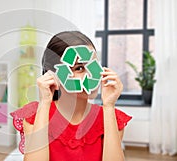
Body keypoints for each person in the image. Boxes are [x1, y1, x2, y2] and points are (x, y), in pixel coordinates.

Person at [10, 31, 132, 161]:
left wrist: (108, 106)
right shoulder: (34, 115)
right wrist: (45, 103)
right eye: (79, 68)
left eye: (93, 65)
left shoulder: (111, 117)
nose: (92, 74)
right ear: (54, 74)